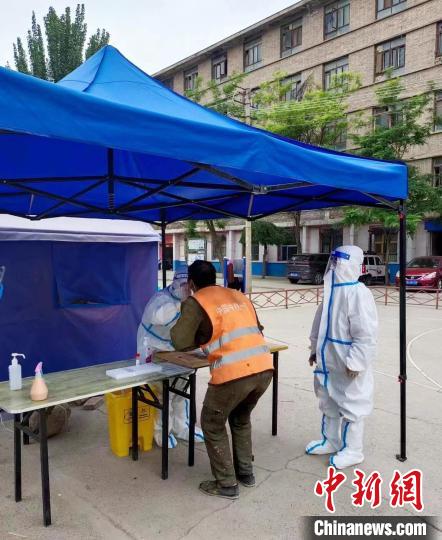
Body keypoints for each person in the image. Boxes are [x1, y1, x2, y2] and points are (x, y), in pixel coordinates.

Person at [171, 260, 273, 500]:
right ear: (215, 278)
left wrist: (198, 332)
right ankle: (245, 473)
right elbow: (256, 328)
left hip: (233, 373)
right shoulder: (238, 296)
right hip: (263, 367)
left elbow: (180, 341)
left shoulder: (196, 301)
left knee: (212, 422)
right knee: (240, 418)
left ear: (191, 283)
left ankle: (227, 484)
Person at [306, 245, 378, 469]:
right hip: (328, 359)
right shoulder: (331, 292)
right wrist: (314, 349)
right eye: (333, 261)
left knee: (352, 403)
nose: (335, 266)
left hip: (347, 361)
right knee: (328, 399)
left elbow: (366, 333)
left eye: (340, 261)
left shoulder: (358, 293)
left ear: (351, 264)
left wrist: (357, 361)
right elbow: (319, 324)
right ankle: (331, 440)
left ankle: (353, 450)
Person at [137, 268, 204, 448]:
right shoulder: (161, 299)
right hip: (153, 350)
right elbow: (160, 317)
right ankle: (161, 431)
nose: (186, 289)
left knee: (182, 390)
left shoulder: (191, 301)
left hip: (176, 350)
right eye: (183, 285)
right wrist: (182, 305)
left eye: (189, 285)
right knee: (162, 393)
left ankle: (183, 427)